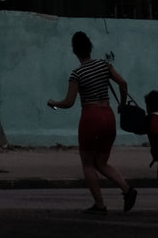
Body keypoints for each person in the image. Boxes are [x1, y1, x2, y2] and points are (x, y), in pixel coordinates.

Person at [49, 29, 136, 214]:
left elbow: (69, 102)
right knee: (101, 162)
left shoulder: (77, 74)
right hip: (109, 116)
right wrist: (121, 104)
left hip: (91, 117)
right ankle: (127, 189)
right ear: (90, 47)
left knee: (88, 163)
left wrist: (53, 104)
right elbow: (123, 83)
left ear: (74, 51)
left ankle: (100, 205)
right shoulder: (104, 65)